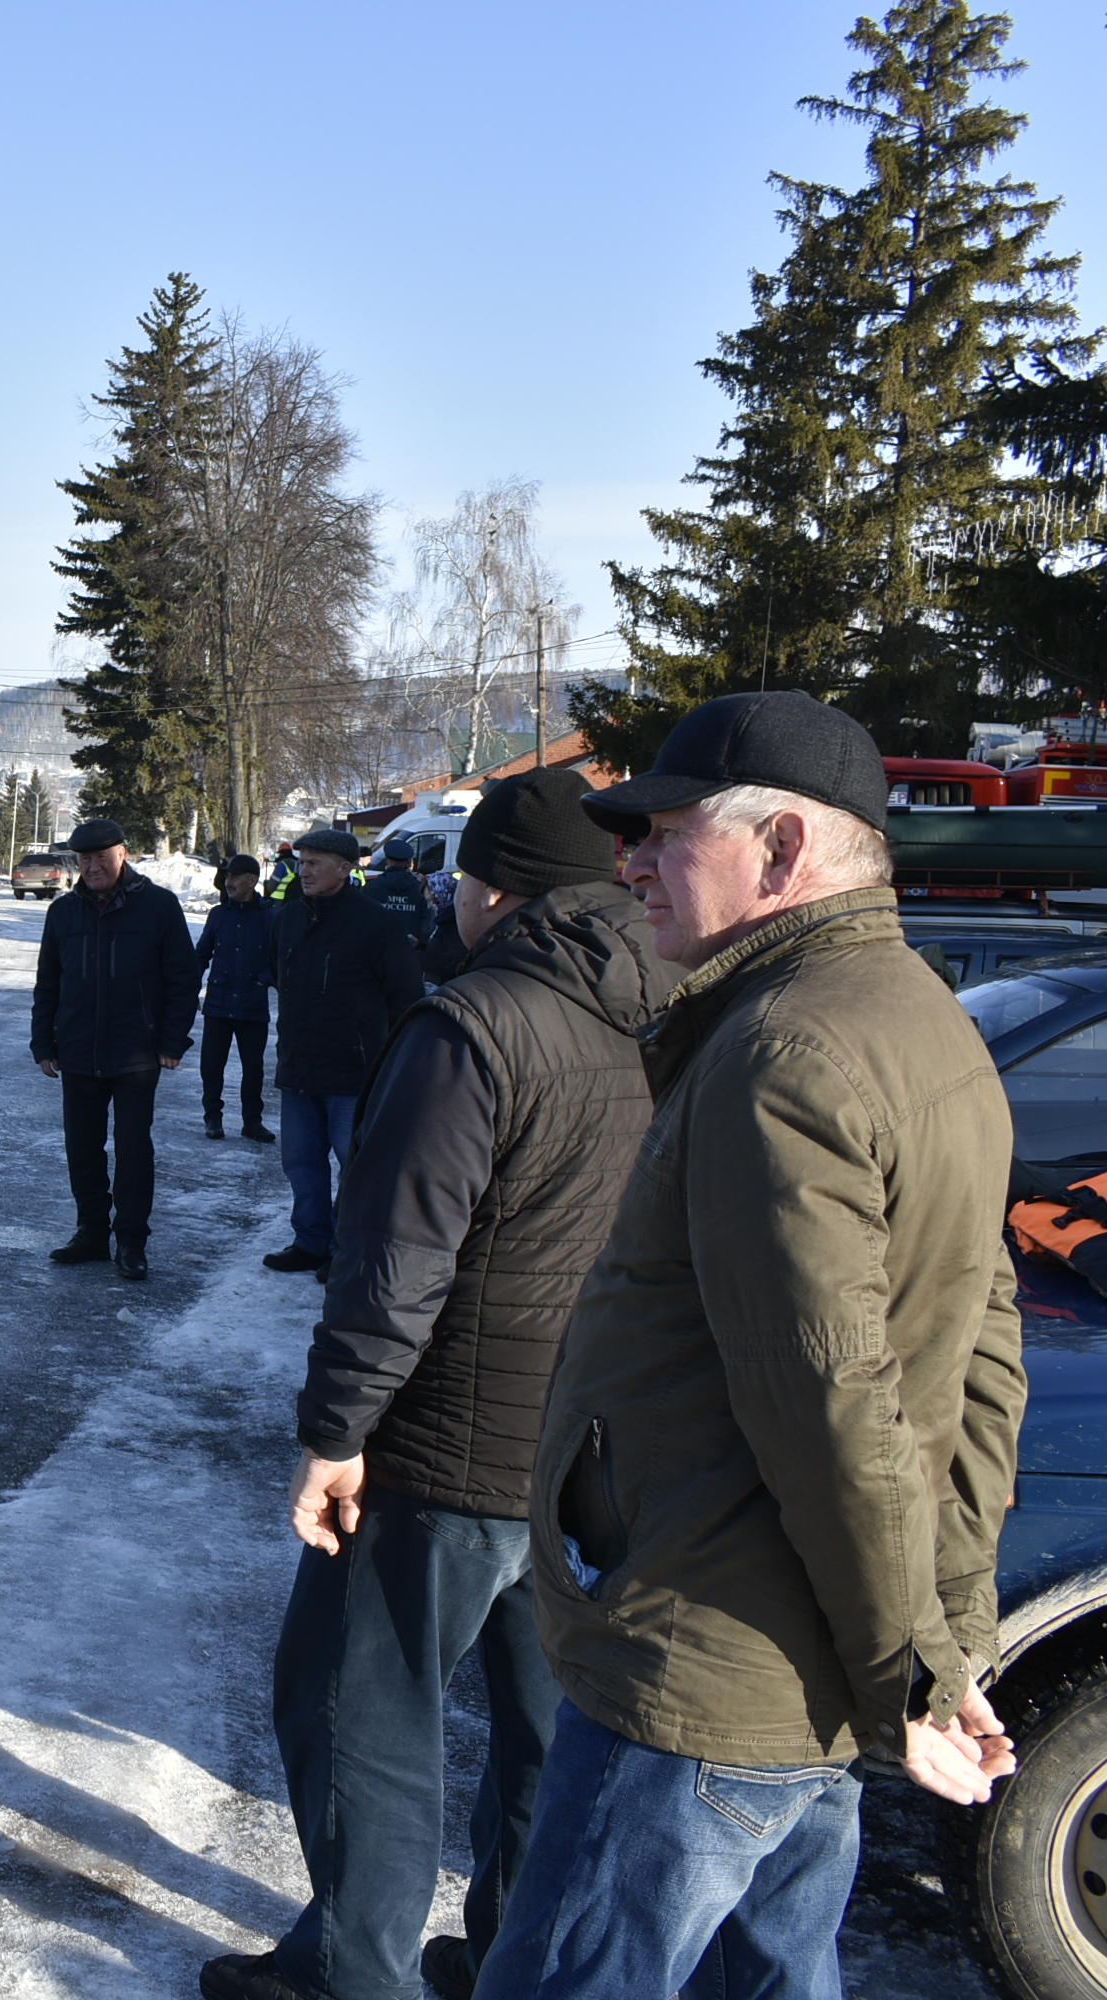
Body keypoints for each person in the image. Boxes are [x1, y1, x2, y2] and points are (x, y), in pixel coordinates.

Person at [479, 692, 1027, 2000]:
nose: (629, 863)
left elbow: (837, 1401)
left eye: (664, 833)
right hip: (801, 1670)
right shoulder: (919, 1020)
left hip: (706, 1675)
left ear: (782, 848)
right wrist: (934, 1643)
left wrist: (917, 1668)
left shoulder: (785, 1050)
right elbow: (980, 1364)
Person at [200, 770, 672, 2000]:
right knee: (544, 1724)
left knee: (358, 1708)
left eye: (465, 873)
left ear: (497, 890)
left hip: (445, 1446)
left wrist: (335, 1427)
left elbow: (395, 1259)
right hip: (586, 1453)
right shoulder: (668, 1006)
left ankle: (350, 1973)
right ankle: (508, 1954)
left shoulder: (473, 1025)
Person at [29, 817, 197, 1282]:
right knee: (82, 1149)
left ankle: (131, 1241)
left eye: (101, 857)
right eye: (85, 859)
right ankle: (91, 1233)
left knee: (133, 1151)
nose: (93, 866)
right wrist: (43, 1042)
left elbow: (183, 979)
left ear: (122, 854)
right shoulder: (63, 912)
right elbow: (48, 984)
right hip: (78, 1051)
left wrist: (172, 1039)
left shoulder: (159, 907)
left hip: (136, 1054)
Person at [262, 827, 425, 1276]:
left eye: (315, 863)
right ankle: (310, 1241)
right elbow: (278, 975)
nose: (305, 871)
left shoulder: (375, 924)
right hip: (298, 1066)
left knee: (354, 1168)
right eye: (302, 862)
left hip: (354, 1072)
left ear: (345, 868)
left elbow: (405, 996)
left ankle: (346, 1249)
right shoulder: (288, 919)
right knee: (301, 1163)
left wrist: (394, 1059)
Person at [195, 854, 276, 1143]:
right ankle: (212, 1117)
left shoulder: (271, 916)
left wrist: (264, 978)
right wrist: (189, 987)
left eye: (235, 877)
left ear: (252, 881)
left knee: (253, 1069)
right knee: (211, 1066)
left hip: (252, 1005)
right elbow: (201, 954)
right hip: (218, 1002)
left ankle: (252, 1122)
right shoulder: (219, 914)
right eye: (227, 877)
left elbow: (283, 957)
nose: (229, 882)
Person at [363, 834, 435, 949]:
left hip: (378, 949)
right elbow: (427, 921)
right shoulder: (419, 888)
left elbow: (363, 919)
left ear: (387, 860)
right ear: (408, 862)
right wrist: (420, 944)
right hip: (409, 950)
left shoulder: (372, 887)